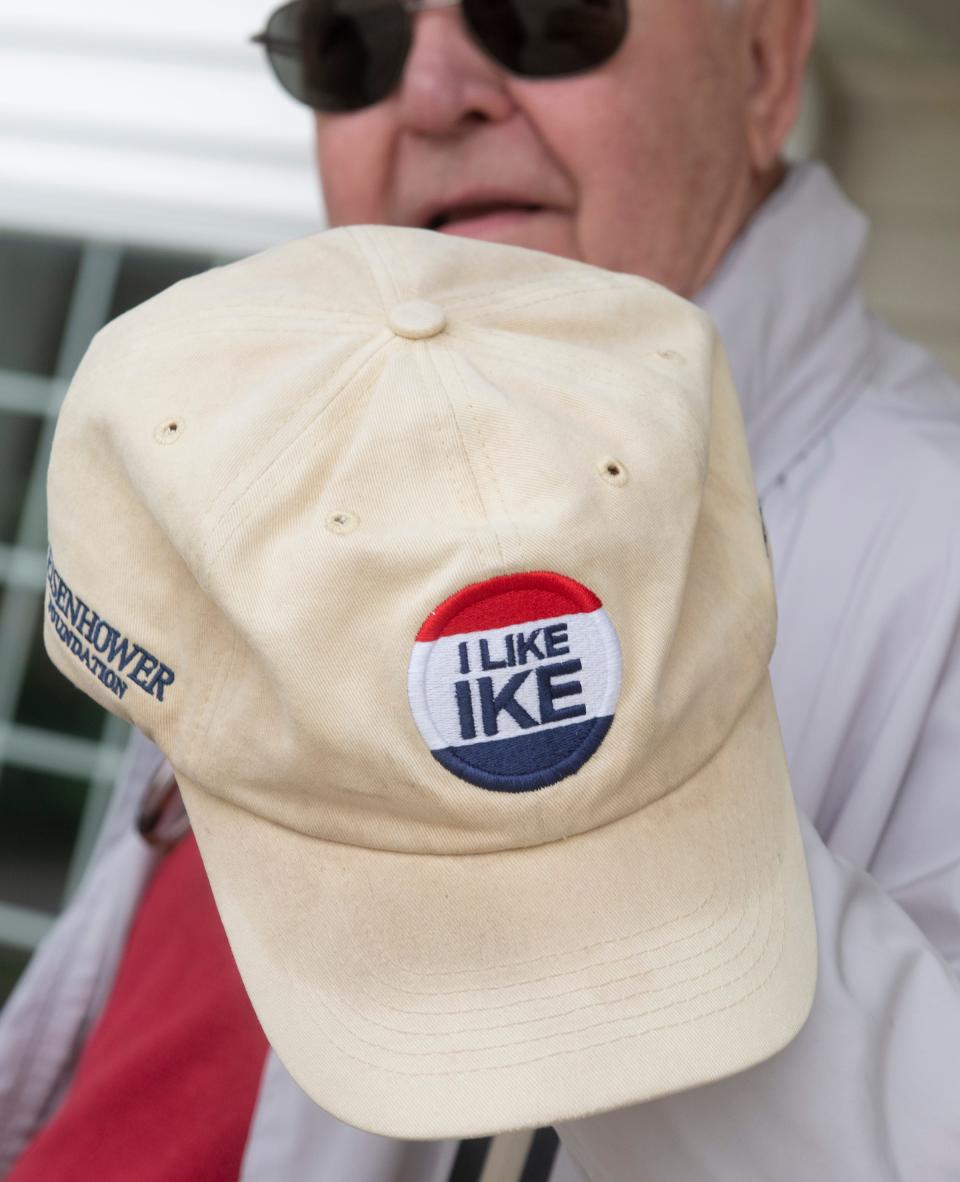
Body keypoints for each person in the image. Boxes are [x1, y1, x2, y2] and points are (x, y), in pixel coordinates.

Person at [1, 0, 958, 1177]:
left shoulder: (937, 561)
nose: (432, 93)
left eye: (545, 17)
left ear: (763, 64)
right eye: (350, 41)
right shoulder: (277, 467)